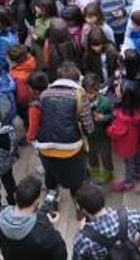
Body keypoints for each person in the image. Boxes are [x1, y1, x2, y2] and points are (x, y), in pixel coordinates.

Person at [31, 63, 93, 196]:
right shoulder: (79, 94)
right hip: (70, 148)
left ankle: (52, 202)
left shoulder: (44, 94)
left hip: (45, 146)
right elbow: (87, 123)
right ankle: (79, 206)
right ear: (76, 80)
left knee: (51, 178)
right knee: (76, 180)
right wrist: (88, 134)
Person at [0, 175, 68, 260]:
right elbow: (60, 255)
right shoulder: (45, 232)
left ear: (15, 196)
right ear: (36, 202)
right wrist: (49, 225)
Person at [72, 183, 140, 260]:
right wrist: (136, 243)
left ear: (84, 210)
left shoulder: (83, 240)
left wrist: (83, 231)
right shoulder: (130, 216)